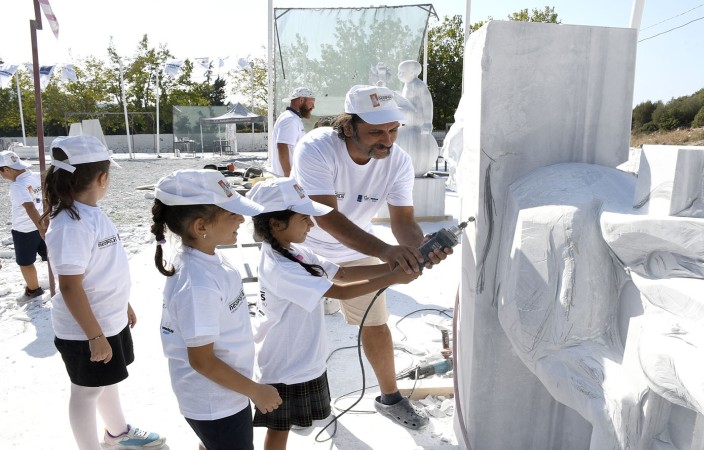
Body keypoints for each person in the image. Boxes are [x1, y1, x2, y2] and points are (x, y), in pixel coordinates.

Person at [291, 84, 450, 430]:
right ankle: (292, 400)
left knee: (375, 323)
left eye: (393, 130)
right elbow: (325, 216)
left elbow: (403, 221)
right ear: (349, 126)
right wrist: (385, 252)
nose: (387, 140)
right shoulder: (316, 147)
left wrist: (418, 250)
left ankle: (390, 398)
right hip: (300, 246)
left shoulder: (398, 161)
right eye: (377, 132)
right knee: (295, 329)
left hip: (354, 248)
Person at [245, 177, 421, 449]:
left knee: (288, 424)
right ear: (276, 224)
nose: (311, 224)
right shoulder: (279, 267)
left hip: (304, 361)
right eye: (304, 219)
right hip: (284, 367)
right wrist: (394, 278)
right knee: (279, 431)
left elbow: (342, 273)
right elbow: (340, 291)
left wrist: (395, 265)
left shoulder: (296, 252)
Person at [43, 135, 165, 450]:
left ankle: (117, 432)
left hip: (107, 321)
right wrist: (95, 336)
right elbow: (69, 286)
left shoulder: (90, 212)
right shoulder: (70, 224)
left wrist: (123, 304)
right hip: (85, 330)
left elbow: (102, 269)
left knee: (106, 380)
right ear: (101, 178)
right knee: (85, 392)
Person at [151, 169, 282, 450]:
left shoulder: (206, 257)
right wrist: (256, 391)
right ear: (201, 227)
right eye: (232, 213)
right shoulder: (198, 284)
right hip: (215, 402)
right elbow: (202, 361)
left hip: (228, 392)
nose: (242, 219)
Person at [0, 150, 47, 303]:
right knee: (52, 256)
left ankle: (33, 290)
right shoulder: (37, 176)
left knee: (25, 262)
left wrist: (40, 228)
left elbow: (29, 207)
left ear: (6, 169)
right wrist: (44, 225)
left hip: (25, 230)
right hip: (44, 223)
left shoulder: (17, 185)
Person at [270, 87, 315, 177]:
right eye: (311, 103)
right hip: (288, 177)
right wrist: (288, 175)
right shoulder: (290, 119)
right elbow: (282, 146)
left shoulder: (292, 118)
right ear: (301, 100)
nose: (313, 107)